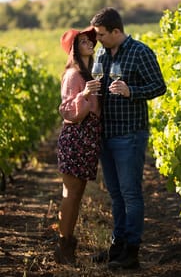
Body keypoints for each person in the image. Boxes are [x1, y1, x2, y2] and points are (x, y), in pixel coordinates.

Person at [90, 7, 166, 270]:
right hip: (106, 134)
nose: (97, 39)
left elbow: (159, 86)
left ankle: (132, 253)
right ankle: (117, 247)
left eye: (101, 34)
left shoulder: (140, 51)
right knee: (116, 194)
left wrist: (130, 90)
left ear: (116, 31)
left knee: (131, 194)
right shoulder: (101, 52)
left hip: (130, 134)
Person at [55, 26, 102, 265]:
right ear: (74, 48)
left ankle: (67, 246)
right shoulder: (73, 75)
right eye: (83, 41)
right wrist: (83, 94)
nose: (90, 43)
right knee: (71, 194)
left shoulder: (90, 73)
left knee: (77, 194)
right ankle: (64, 247)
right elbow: (66, 111)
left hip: (88, 139)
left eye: (90, 40)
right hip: (76, 138)